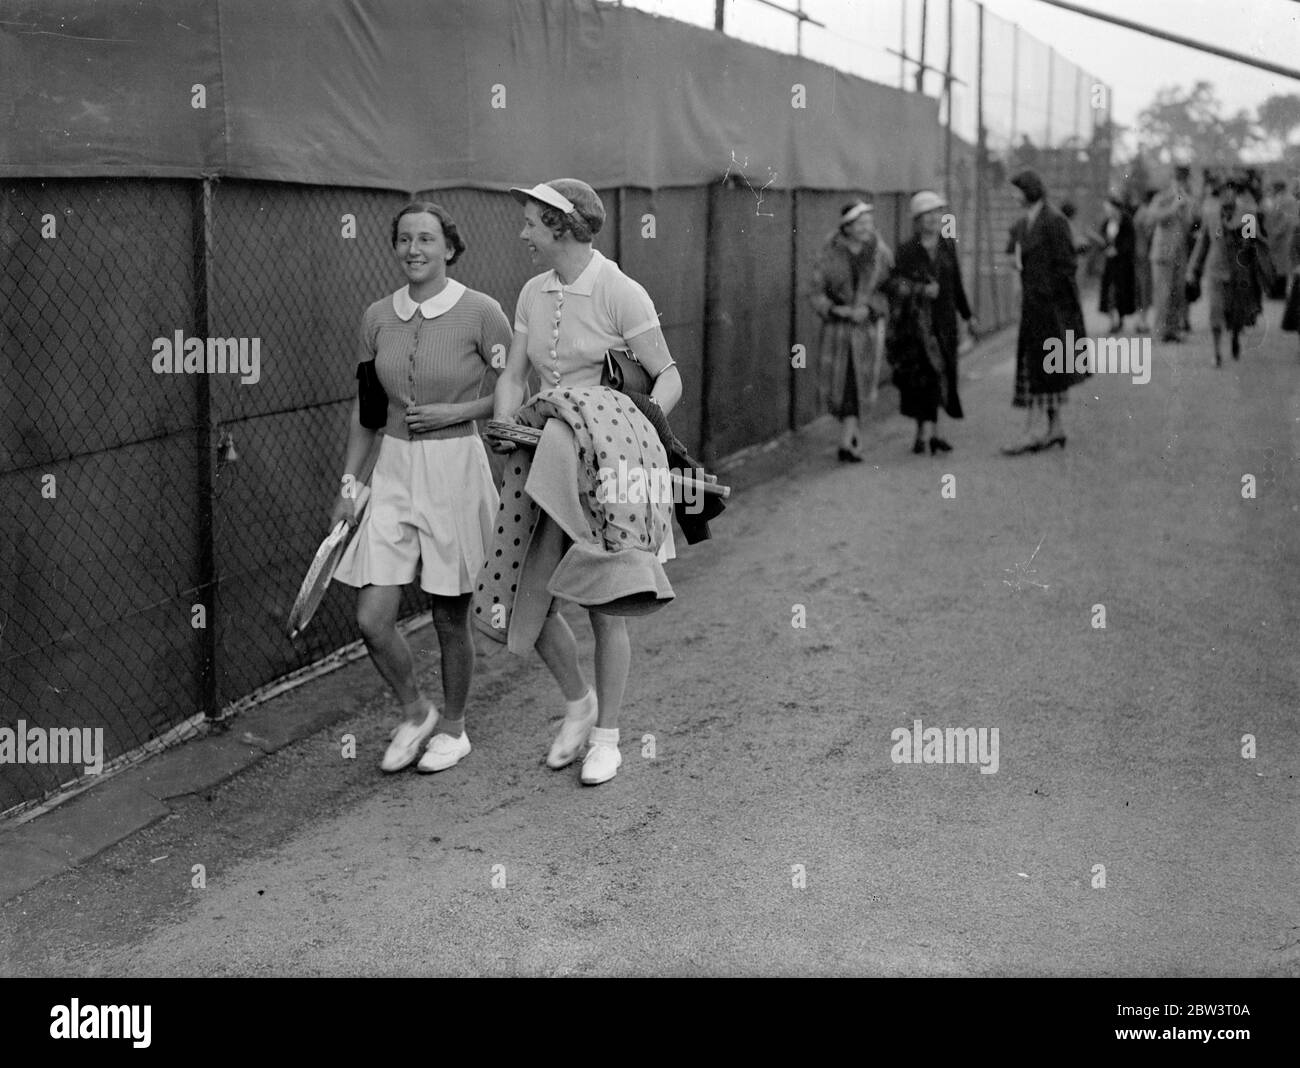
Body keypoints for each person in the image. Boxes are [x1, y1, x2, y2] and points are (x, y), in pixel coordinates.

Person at [479, 178, 684, 786]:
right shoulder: (531, 292)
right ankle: (577, 702)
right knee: (522, 594)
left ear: (562, 228)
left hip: (608, 470)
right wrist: (501, 418)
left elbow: (667, 378)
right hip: (539, 459)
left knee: (605, 604)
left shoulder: (621, 291)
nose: (523, 235)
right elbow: (514, 376)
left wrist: (632, 437)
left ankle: (608, 738)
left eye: (532, 224)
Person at [331, 202, 512, 773]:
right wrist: (349, 484)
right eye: (405, 239)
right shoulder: (376, 317)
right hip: (392, 473)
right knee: (371, 618)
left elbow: (516, 386)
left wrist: (462, 410)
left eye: (427, 239)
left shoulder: (482, 312)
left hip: (456, 468)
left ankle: (454, 729)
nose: (414, 249)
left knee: (448, 615)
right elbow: (368, 409)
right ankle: (416, 712)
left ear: (449, 249)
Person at [883, 190, 977, 454]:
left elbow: (956, 283)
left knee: (942, 375)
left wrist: (968, 316)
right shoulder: (906, 251)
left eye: (937, 213)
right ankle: (923, 432)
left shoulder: (948, 246)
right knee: (922, 377)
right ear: (917, 219)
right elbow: (893, 284)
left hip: (944, 323)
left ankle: (933, 433)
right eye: (927, 215)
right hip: (916, 326)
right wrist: (920, 290)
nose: (934, 219)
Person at [1002, 168, 1088, 455]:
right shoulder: (1028, 221)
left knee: (1042, 369)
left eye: (1017, 191)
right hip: (1035, 307)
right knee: (1043, 369)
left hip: (1051, 310)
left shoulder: (1053, 221)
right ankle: (1055, 428)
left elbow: (1067, 265)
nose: (1014, 196)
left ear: (1029, 191)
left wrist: (1050, 298)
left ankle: (1033, 432)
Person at [810, 200, 894, 462]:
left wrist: (870, 308)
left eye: (869, 223)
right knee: (843, 384)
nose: (866, 228)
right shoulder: (829, 253)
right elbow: (815, 291)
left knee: (861, 382)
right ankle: (849, 439)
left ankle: (848, 440)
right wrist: (836, 310)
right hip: (838, 331)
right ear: (846, 227)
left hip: (866, 329)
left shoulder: (880, 254)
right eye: (860, 223)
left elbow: (887, 289)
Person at [1189, 179, 1273, 365]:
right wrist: (1193, 269)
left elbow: (1255, 244)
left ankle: (1235, 335)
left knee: (1236, 314)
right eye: (1223, 192)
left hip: (1239, 273)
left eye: (1231, 191)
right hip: (1215, 270)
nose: (1227, 195)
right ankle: (1217, 352)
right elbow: (1202, 243)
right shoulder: (1211, 216)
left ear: (1236, 194)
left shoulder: (1247, 215)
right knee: (1215, 311)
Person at [1149, 165, 1194, 342]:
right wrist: (1174, 206)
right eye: (1178, 180)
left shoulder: (1186, 199)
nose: (1180, 183)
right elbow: (1153, 216)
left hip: (1179, 253)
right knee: (1163, 294)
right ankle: (1160, 331)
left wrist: (1186, 207)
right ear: (1172, 180)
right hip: (1162, 254)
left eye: (1183, 180)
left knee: (1177, 293)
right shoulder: (1162, 198)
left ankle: (1173, 330)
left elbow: (1189, 224)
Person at [1096, 195, 1136, 334]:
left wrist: (1118, 249)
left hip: (1122, 263)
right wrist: (1104, 246)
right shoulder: (1107, 222)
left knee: (1121, 291)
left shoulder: (1126, 221)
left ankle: (1120, 319)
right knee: (1110, 292)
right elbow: (1102, 238)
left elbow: (1130, 241)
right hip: (1110, 263)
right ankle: (1112, 320)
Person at [1264, 179, 1299, 300]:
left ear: (1278, 188)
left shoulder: (1286, 200)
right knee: (1278, 265)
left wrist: (1276, 232)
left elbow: (1286, 219)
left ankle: (1279, 292)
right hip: (1279, 237)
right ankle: (1275, 290)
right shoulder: (1280, 199)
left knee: (1282, 266)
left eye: (1273, 187)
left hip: (1283, 237)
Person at [1131, 189, 1157, 331]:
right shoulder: (1147, 213)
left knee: (1140, 288)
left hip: (1138, 252)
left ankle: (1140, 320)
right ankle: (1143, 321)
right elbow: (1148, 233)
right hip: (1145, 253)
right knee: (1144, 289)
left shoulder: (1140, 211)